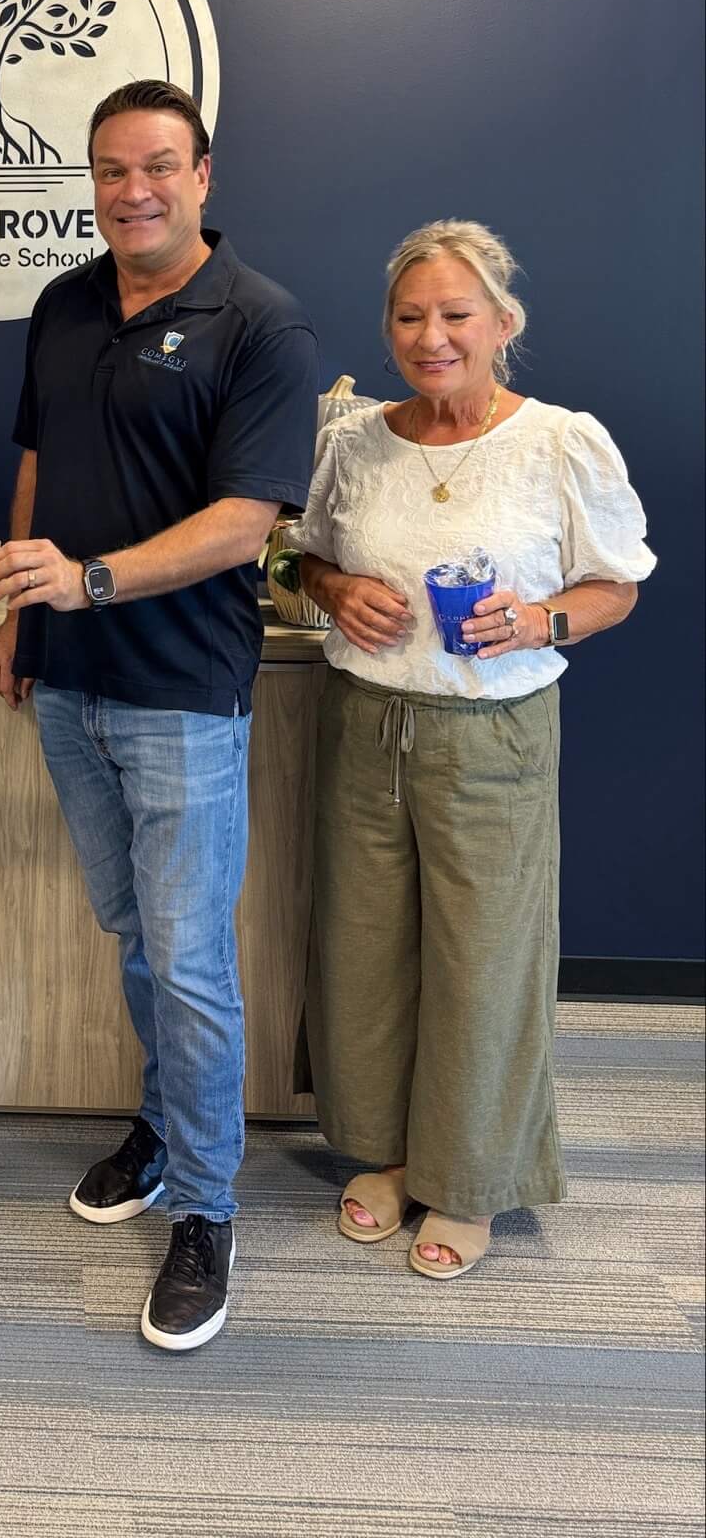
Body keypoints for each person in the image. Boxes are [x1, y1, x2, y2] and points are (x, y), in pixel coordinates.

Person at [0, 81, 318, 1352]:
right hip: (69, 680)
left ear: (203, 175)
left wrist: (94, 578)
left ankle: (208, 1209)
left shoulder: (262, 326)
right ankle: (168, 1126)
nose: (134, 190)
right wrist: (23, 603)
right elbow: (33, 460)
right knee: (134, 928)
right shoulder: (64, 302)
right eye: (112, 169)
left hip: (180, 688)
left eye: (159, 167)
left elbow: (247, 520)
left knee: (187, 955)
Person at [288, 219, 653, 1278]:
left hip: (491, 732)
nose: (432, 335)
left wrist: (540, 619)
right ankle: (388, 1153)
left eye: (455, 315)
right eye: (411, 316)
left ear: (502, 323)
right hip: (364, 723)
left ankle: (471, 1176)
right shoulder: (353, 440)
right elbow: (301, 556)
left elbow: (616, 583)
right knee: (363, 951)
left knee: (483, 962)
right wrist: (332, 587)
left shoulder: (556, 440)